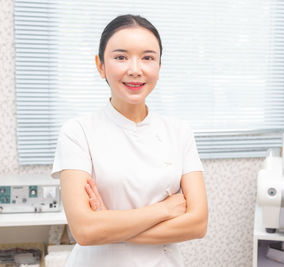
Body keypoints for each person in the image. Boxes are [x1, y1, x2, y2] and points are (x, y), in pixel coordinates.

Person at [51, 14, 208, 267]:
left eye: (148, 58)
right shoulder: (77, 131)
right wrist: (163, 210)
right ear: (100, 65)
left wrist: (108, 223)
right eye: (121, 57)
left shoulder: (180, 132)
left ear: (159, 66)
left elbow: (198, 224)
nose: (135, 69)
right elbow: (84, 231)